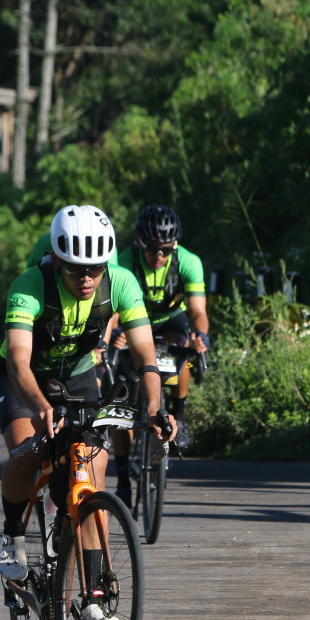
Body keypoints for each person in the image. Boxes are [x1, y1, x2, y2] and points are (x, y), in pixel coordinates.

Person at [0, 204, 172, 620]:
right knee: (29, 452)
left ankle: (92, 600)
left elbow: (146, 356)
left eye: (95, 268)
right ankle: (13, 537)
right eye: (76, 269)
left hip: (76, 376)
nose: (87, 277)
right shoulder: (29, 286)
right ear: (57, 261)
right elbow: (17, 361)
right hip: (26, 379)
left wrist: (154, 408)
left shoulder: (122, 283)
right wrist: (40, 406)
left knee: (88, 478)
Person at [109, 204, 209, 499]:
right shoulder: (124, 261)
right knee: (122, 401)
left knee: (184, 347)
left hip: (169, 320)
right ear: (139, 242)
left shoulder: (189, 262)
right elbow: (112, 310)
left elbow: (197, 311)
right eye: (152, 248)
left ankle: (180, 414)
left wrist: (201, 335)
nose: (159, 256)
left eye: (166, 249)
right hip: (132, 319)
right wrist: (113, 334)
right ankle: (123, 479)